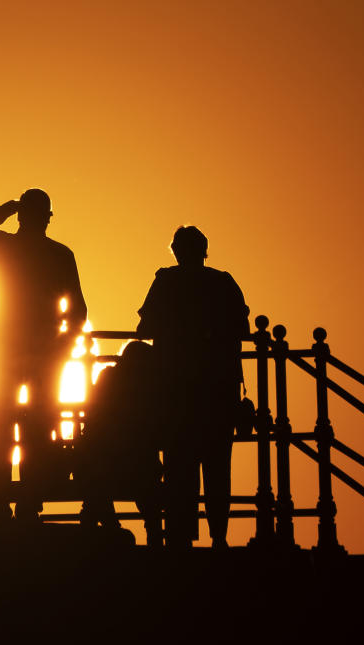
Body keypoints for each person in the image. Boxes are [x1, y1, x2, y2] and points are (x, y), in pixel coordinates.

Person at [0, 188, 87, 522]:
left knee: (0, 425)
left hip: (7, 348)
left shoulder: (4, 248)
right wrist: (63, 347)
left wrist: (6, 207)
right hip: (45, 353)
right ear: (47, 218)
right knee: (38, 427)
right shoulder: (60, 255)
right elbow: (78, 309)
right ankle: (30, 501)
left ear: (22, 215)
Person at [136, 226, 248, 548]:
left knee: (178, 466)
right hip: (218, 392)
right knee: (217, 466)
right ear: (204, 251)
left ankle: (180, 537)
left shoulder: (166, 282)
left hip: (175, 393)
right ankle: (219, 537)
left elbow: (144, 328)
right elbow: (242, 326)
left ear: (176, 251)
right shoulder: (223, 283)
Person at [77, 340, 164, 545]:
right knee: (148, 494)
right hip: (137, 466)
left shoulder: (108, 378)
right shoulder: (146, 391)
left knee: (97, 475)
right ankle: (153, 535)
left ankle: (103, 521)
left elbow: (93, 425)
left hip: (103, 463)